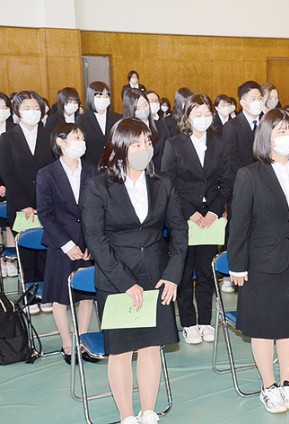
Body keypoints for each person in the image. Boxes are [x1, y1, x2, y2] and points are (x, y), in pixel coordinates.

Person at [81, 118, 187, 424]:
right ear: (121, 148)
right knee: (122, 351)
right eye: (137, 143)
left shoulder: (163, 182)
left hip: (157, 274)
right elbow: (95, 239)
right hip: (116, 278)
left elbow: (179, 232)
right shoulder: (98, 186)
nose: (144, 149)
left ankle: (149, 410)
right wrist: (126, 282)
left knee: (152, 347)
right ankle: (127, 414)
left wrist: (173, 273)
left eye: (147, 142)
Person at [227, 109, 289, 413]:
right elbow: (238, 224)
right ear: (266, 137)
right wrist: (237, 265)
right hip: (260, 263)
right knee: (263, 328)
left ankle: (287, 383)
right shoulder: (249, 175)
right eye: (281, 131)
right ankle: (268, 386)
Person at [161, 94, 233, 345]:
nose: (203, 119)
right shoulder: (175, 144)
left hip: (210, 218)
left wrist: (214, 210)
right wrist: (190, 212)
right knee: (183, 272)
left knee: (206, 272)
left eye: (206, 114)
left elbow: (226, 181)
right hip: (184, 217)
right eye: (197, 114)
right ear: (187, 117)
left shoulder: (219, 143)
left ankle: (205, 320)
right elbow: (168, 182)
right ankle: (188, 323)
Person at [36, 123, 99, 364]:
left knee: (86, 296)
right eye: (76, 137)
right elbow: (45, 213)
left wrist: (92, 243)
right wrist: (66, 244)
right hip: (60, 244)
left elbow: (98, 209)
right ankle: (67, 343)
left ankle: (83, 340)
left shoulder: (93, 171)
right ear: (61, 142)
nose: (81, 141)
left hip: (87, 242)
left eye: (82, 137)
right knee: (60, 298)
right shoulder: (46, 174)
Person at [0, 90, 56, 314]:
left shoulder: (50, 134)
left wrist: (44, 203)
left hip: (47, 204)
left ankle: (47, 294)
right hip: (20, 204)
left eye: (36, 108)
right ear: (17, 111)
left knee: (46, 250)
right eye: (26, 108)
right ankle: (30, 297)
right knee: (26, 250)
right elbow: (7, 172)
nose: (32, 112)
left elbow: (54, 170)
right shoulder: (7, 138)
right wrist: (24, 204)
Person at [223, 81, 263, 180]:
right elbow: (231, 161)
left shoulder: (267, 122)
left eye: (260, 98)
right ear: (242, 103)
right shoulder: (232, 126)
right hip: (244, 179)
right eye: (253, 99)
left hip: (265, 179)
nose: (257, 102)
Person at [77, 81, 121, 169]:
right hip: (92, 166)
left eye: (106, 96)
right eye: (99, 96)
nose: (103, 99)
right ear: (91, 98)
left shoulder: (117, 118)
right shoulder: (82, 119)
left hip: (113, 166)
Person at [122, 89, 168, 171]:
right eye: (137, 108)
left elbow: (166, 157)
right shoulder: (124, 132)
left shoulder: (161, 126)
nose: (143, 110)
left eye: (145, 105)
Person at [0, 92, 17, 278]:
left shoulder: (14, 129)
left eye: (5, 107)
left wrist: (6, 184)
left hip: (11, 183)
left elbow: (15, 162)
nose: (2, 111)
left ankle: (11, 258)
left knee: (10, 223)